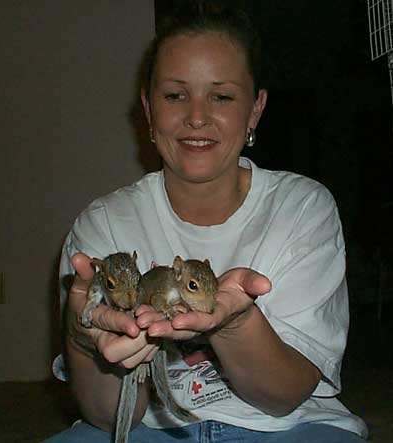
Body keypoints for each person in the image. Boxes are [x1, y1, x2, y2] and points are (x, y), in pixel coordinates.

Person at [45, 2, 368, 442]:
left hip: (289, 426)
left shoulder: (302, 208)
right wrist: (84, 339)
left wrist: (233, 324)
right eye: (176, 95)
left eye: (222, 96)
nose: (197, 116)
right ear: (148, 107)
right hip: (151, 428)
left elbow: (284, 396)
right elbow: (109, 417)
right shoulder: (103, 228)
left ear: (255, 109)